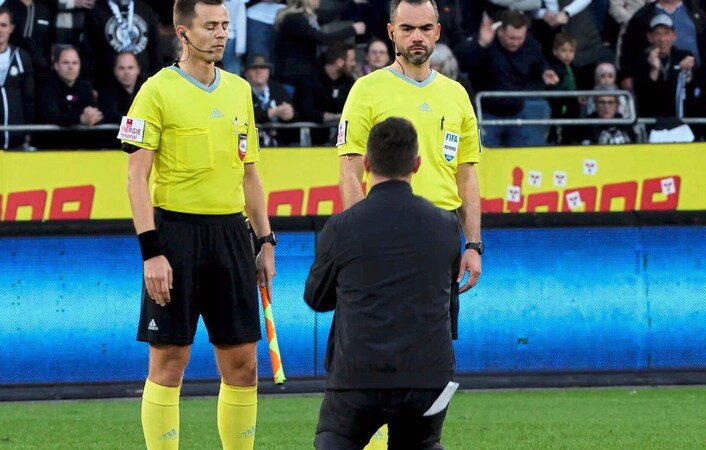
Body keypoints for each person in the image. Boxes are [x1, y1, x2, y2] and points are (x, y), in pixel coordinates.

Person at [119, 1, 276, 449]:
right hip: (174, 237)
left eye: (225, 25)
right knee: (170, 362)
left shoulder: (240, 90)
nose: (221, 34)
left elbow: (250, 174)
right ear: (182, 30)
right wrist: (152, 252)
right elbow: (135, 177)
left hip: (231, 236)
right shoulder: (154, 90)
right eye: (210, 26)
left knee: (244, 364)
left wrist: (265, 241)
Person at [305, 117, 460, 450]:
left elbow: (316, 299)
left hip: (358, 376)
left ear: (366, 163)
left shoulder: (342, 226)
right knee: (422, 443)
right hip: (428, 378)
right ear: (417, 165)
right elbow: (448, 309)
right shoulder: (446, 226)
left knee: (335, 439)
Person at [338, 0, 483, 343]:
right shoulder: (366, 90)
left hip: (442, 232)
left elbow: (466, 176)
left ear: (437, 32)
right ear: (391, 33)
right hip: (385, 230)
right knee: (384, 339)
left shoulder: (457, 94)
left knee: (437, 341)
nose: (416, 37)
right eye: (407, 29)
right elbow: (349, 172)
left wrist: (474, 244)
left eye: (424, 28)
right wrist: (364, 236)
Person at [456, 9, 558, 147]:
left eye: (519, 38)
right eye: (511, 38)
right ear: (501, 31)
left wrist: (545, 71)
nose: (515, 42)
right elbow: (463, 64)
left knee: (521, 160)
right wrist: (481, 44)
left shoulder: (530, 43)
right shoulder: (486, 39)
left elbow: (539, 60)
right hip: (486, 115)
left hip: (517, 114)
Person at [296, 41, 356, 145]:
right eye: (351, 60)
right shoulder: (310, 79)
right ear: (339, 62)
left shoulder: (349, 82)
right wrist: (336, 117)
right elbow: (306, 110)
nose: (354, 64)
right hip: (311, 141)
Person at [0, 7, 35, 150]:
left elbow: (29, 98)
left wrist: (28, 131)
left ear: (11, 28)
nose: (0, 30)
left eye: (3, 25)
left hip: (16, 142)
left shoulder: (21, 57)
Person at [242, 52, 295, 146]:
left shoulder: (277, 89)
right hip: (250, 147)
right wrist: (272, 113)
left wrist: (290, 114)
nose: (259, 71)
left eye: (263, 67)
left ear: (269, 71)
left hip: (281, 147)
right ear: (246, 72)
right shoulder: (240, 90)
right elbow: (242, 117)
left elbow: (297, 112)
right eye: (254, 68)